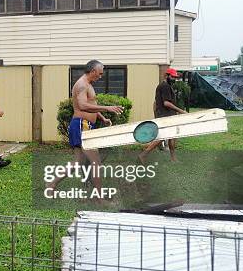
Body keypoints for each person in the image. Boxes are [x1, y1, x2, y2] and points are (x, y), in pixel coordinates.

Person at [49, 60, 123, 190]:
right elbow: (82, 106)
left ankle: (52, 184)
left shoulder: (88, 84)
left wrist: (102, 117)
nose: (100, 77)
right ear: (93, 71)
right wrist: (108, 108)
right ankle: (99, 198)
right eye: (99, 74)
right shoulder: (82, 85)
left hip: (84, 125)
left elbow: (91, 104)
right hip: (82, 125)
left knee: (78, 162)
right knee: (96, 162)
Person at [139, 67, 187, 163]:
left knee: (172, 136)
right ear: (166, 76)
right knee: (163, 136)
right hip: (165, 115)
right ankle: (143, 154)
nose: (174, 79)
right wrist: (181, 111)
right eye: (172, 77)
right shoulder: (164, 86)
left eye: (175, 77)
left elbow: (156, 102)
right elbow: (166, 103)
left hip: (167, 114)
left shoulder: (166, 86)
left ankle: (173, 159)